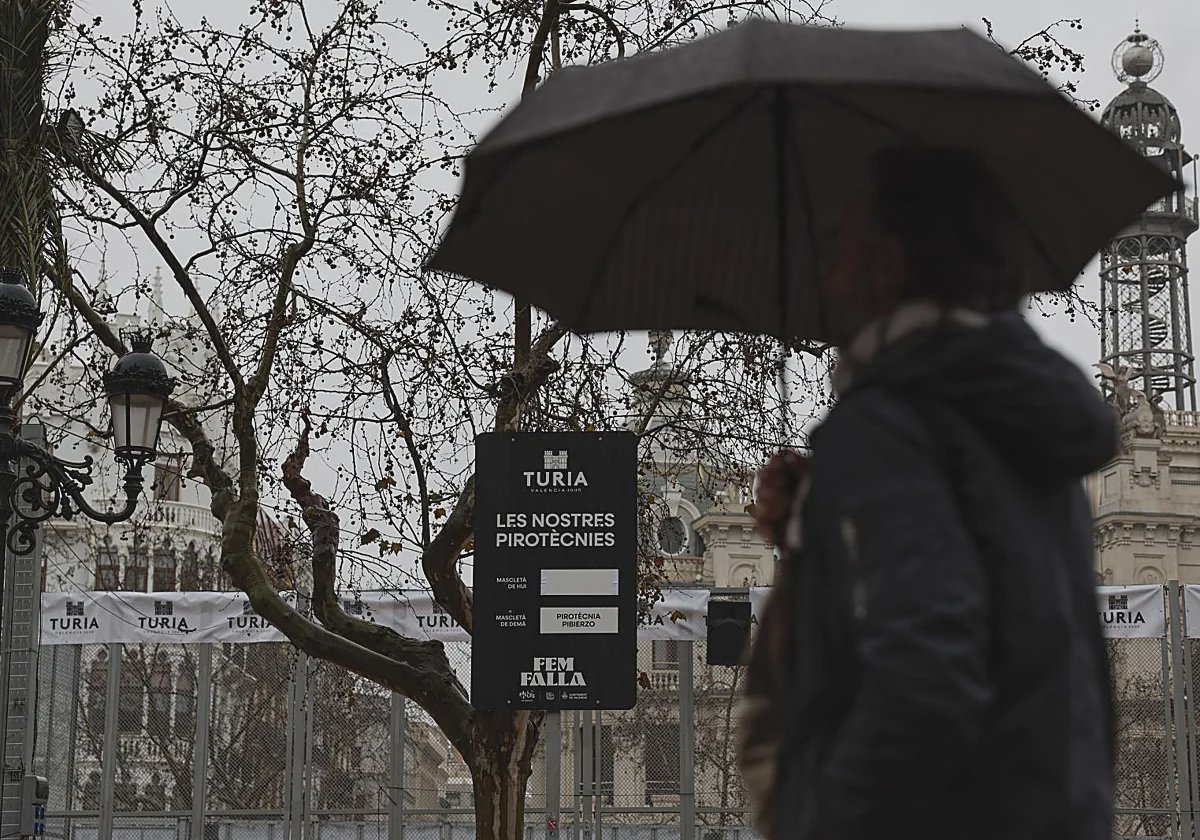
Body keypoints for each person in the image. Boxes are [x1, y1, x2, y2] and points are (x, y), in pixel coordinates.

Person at [739, 146, 1116, 840]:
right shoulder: (1023, 417)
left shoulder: (884, 425)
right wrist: (815, 522)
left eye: (843, 246)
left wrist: (826, 820)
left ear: (891, 265)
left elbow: (927, 678)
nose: (828, 271)